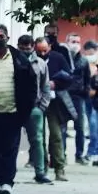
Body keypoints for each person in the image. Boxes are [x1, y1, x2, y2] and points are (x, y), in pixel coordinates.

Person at [0, 25, 37, 194]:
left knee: (11, 148)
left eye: (1, 36)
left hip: (13, 112)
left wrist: (26, 110)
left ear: (8, 38)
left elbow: (31, 85)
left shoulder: (19, 58)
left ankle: (8, 182)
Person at [37, 37, 75, 182]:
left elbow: (69, 77)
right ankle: (42, 168)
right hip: (38, 101)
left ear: (50, 48)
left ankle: (59, 168)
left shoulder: (58, 58)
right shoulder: (34, 60)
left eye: (44, 50)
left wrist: (55, 83)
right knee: (39, 137)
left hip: (54, 102)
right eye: (39, 51)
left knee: (56, 136)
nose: (42, 54)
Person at [23, 35, 51, 183]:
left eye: (28, 47)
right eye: (23, 47)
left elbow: (46, 86)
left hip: (35, 108)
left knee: (38, 141)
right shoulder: (13, 62)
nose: (26, 50)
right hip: (15, 108)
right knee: (11, 142)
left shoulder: (40, 64)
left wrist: (42, 106)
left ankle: (40, 172)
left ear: (32, 46)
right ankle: (7, 175)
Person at [69, 41, 98, 164]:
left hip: (86, 97)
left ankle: (85, 153)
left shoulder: (87, 61)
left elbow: (88, 79)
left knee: (85, 126)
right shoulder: (68, 59)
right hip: (74, 95)